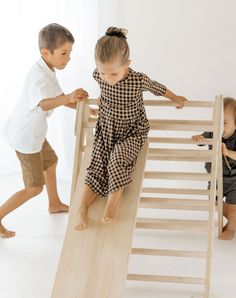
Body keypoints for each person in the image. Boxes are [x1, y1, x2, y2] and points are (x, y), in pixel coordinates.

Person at [75, 26, 186, 231]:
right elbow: (104, 91)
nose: (107, 77)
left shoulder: (137, 80)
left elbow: (159, 88)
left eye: (113, 73)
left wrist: (176, 98)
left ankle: (111, 205)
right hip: (107, 129)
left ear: (127, 64)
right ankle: (82, 208)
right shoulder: (98, 75)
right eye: (103, 72)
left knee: (117, 160)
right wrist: (101, 103)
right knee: (97, 164)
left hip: (132, 132)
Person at [0, 23, 88, 239]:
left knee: (51, 162)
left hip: (35, 133)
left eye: (70, 53)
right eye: (63, 54)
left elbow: (58, 96)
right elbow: (45, 104)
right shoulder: (38, 76)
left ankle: (54, 203)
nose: (67, 59)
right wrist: (68, 98)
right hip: (26, 138)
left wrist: (83, 107)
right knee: (33, 188)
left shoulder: (47, 68)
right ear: (45, 52)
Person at [192, 97, 236, 240]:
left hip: (234, 180)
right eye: (216, 121)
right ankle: (233, 220)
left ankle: (231, 228)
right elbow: (202, 140)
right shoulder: (213, 132)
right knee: (214, 201)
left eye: (224, 123)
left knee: (233, 205)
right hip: (215, 178)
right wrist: (199, 138)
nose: (220, 127)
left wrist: (228, 152)